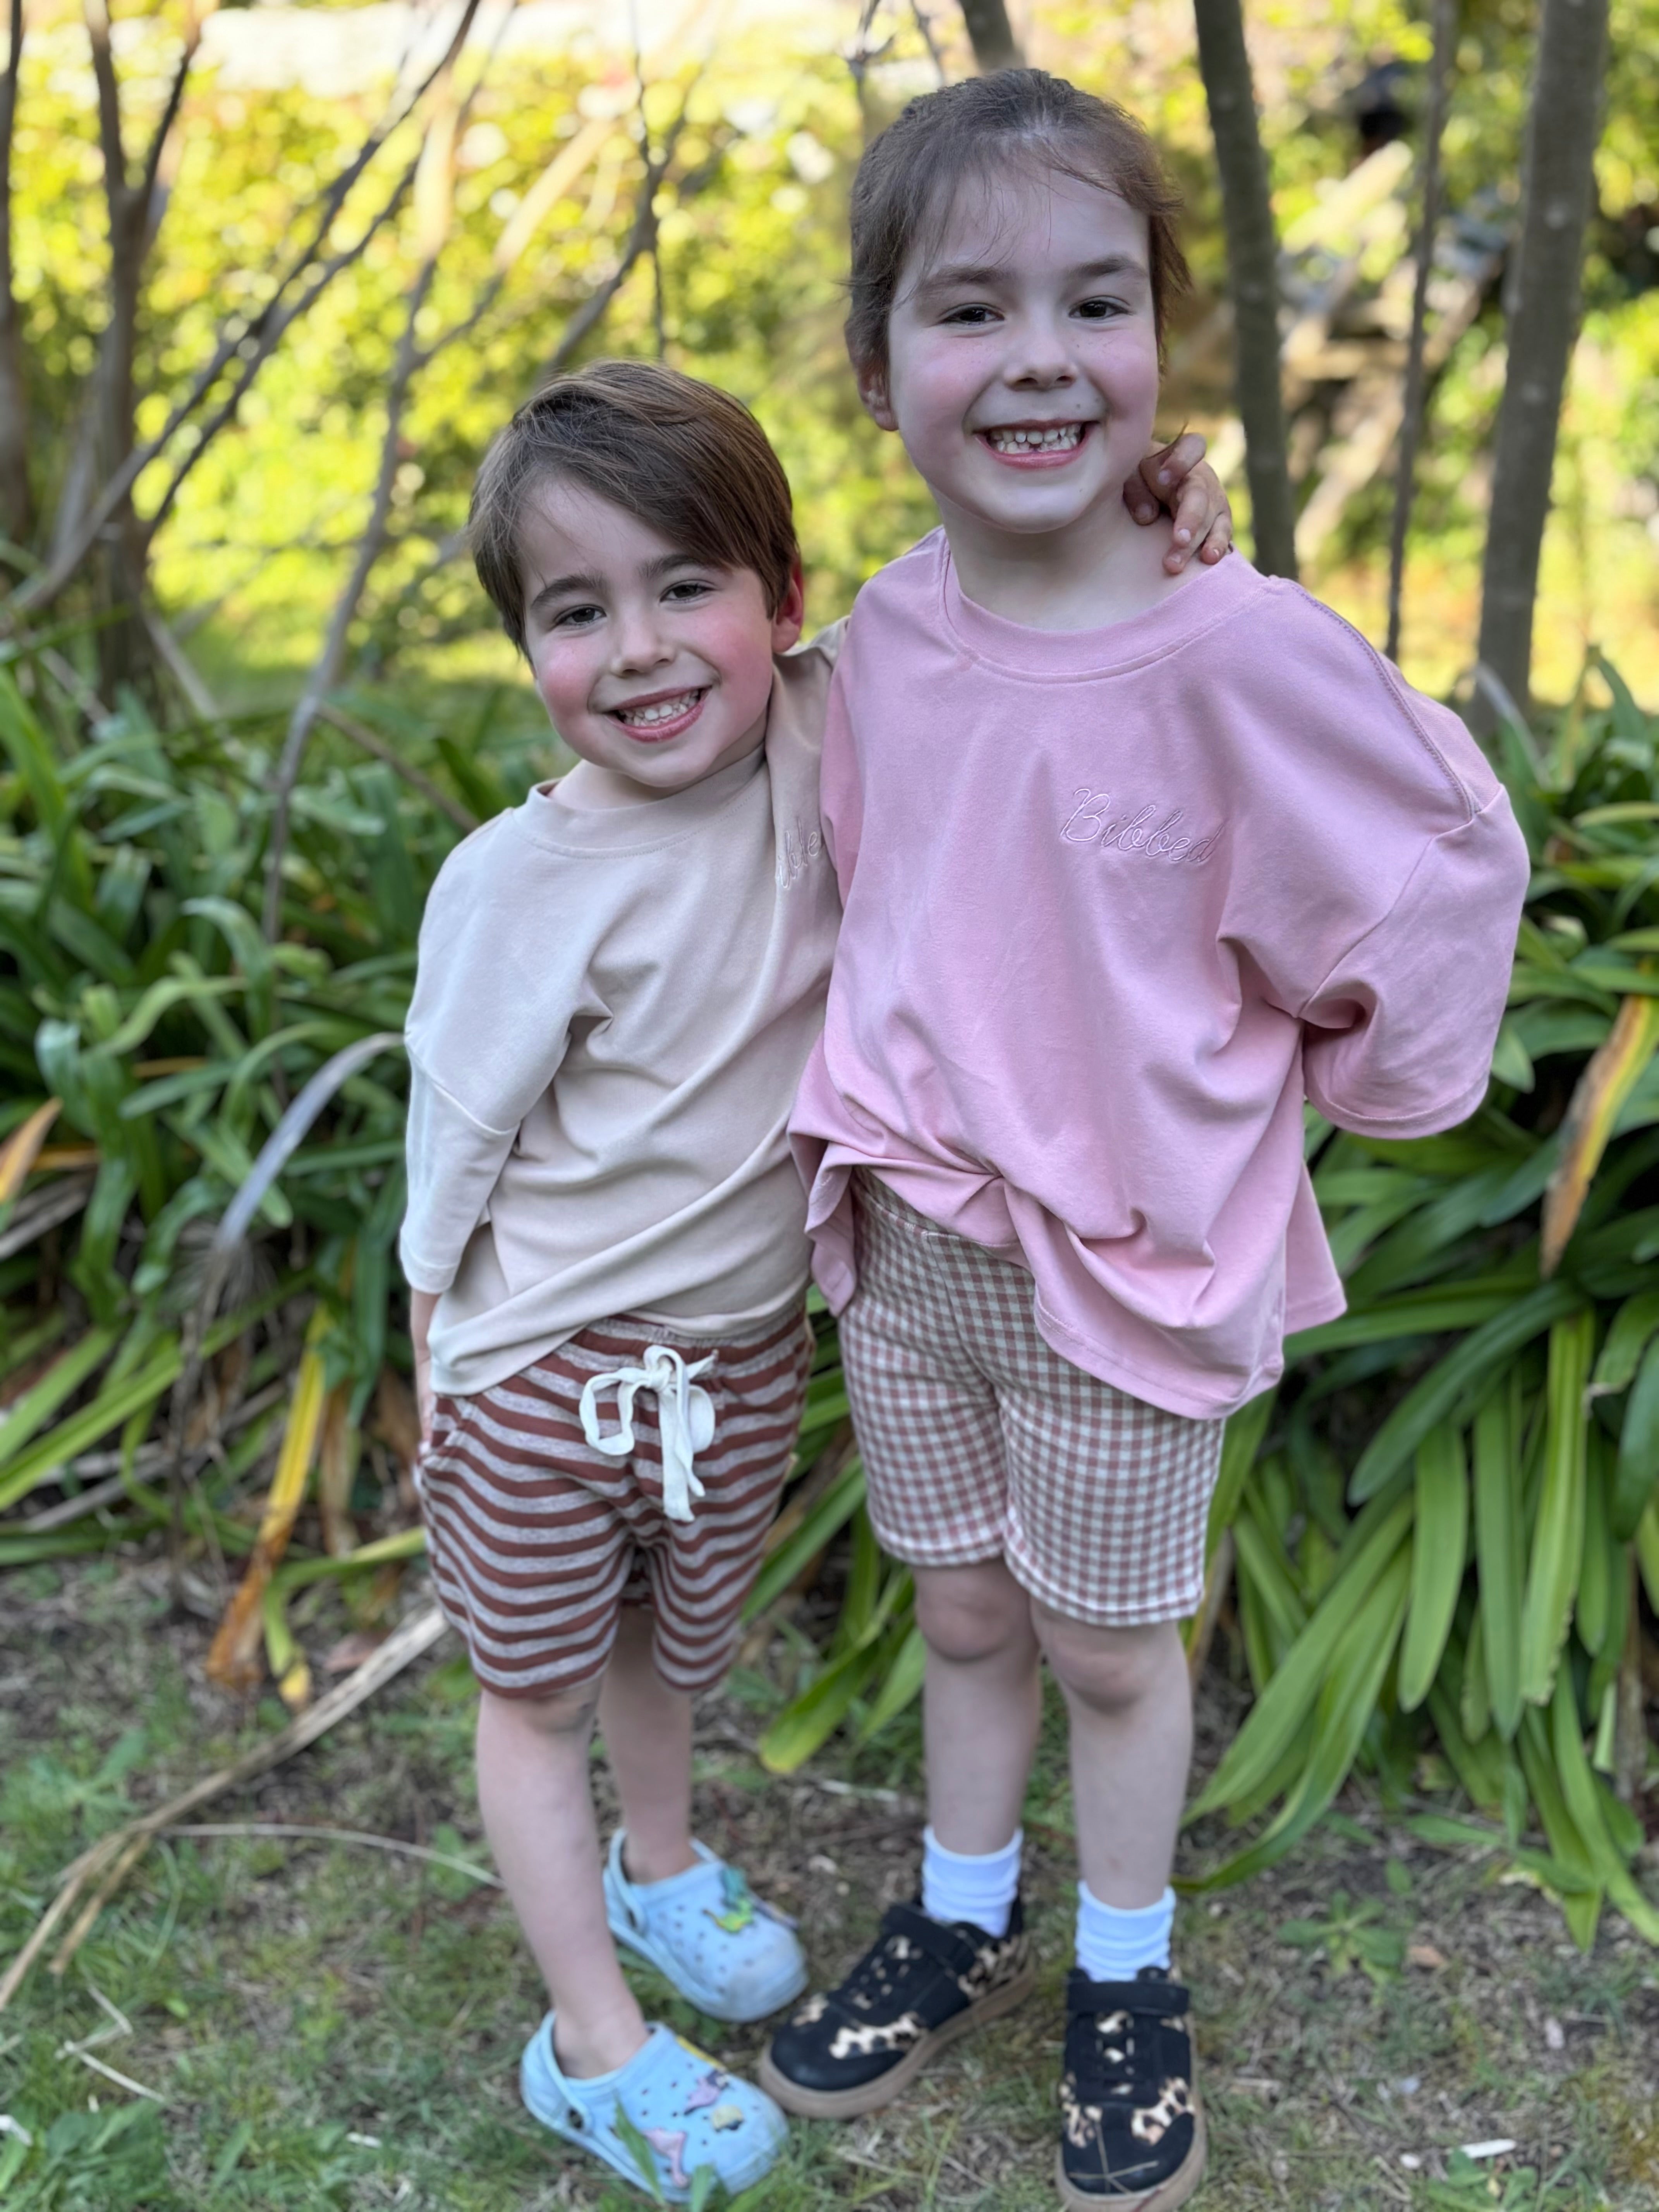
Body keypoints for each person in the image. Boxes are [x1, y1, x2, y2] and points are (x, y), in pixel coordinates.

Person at [766, 71, 1530, 2212]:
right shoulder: (883, 643)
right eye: (967, 310)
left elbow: (1433, 859)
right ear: (874, 364)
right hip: (912, 1238)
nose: (1031, 359)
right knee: (956, 1612)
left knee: (1107, 1639)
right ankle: (953, 1907)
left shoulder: (1240, 649)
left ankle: (1121, 1964)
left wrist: (1346, 1094)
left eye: (1092, 306)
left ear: (1160, 349)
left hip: (1125, 1256)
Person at [399, 356, 1233, 2202]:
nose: (639, 647)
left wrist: (1152, 520)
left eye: (683, 583)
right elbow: (449, 1155)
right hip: (548, 1362)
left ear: (781, 602)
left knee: (662, 1649)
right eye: (573, 609)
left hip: (743, 1345)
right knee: (534, 1690)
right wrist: (443, 1362)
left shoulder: (832, 723)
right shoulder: (515, 886)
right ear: (522, 648)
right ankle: (592, 2043)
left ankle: (667, 1861)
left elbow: (1016, 627)